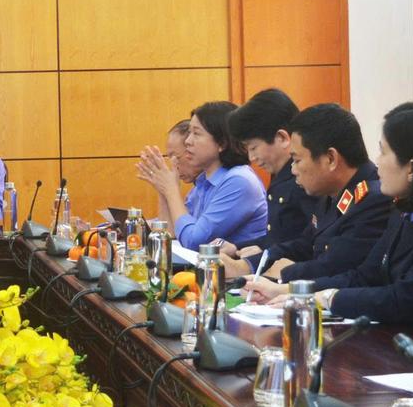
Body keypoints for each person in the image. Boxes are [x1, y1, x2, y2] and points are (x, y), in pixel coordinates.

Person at [247, 101, 413, 352]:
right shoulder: (407, 210)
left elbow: (403, 299)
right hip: (401, 348)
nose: (377, 162)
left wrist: (328, 298)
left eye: (383, 152)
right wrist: (294, 292)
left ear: (412, 166)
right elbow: (365, 276)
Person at [221, 103, 389, 281]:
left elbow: (336, 266)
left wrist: (287, 273)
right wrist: (247, 265)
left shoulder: (373, 200)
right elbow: (305, 245)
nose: (293, 170)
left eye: (297, 160)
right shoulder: (330, 191)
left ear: (330, 159)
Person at [136, 102, 267, 249]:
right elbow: (171, 231)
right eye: (189, 133)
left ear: (222, 143)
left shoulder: (239, 181)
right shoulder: (204, 181)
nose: (188, 141)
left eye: (196, 134)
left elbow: (194, 241)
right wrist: (163, 188)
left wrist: (171, 190)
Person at [227, 89, 316, 253]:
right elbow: (276, 238)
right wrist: (236, 247)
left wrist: (259, 258)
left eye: (254, 148)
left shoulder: (304, 179)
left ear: (282, 138)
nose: (252, 157)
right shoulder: (280, 176)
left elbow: (308, 243)